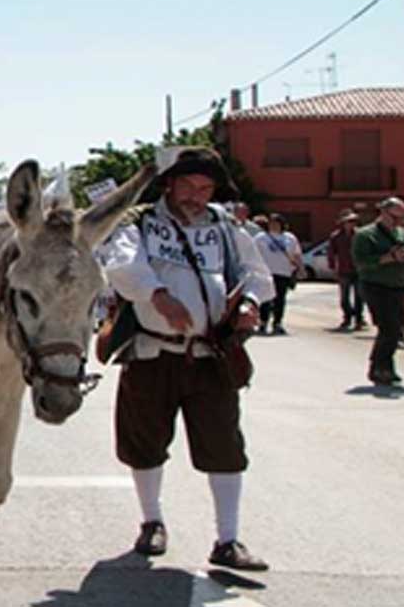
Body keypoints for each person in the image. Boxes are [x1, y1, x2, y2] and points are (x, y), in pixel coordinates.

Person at [101, 147, 275, 572]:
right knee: (144, 442)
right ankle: (151, 522)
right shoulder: (140, 222)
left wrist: (250, 300)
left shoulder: (224, 226)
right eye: (190, 186)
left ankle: (228, 540)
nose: (198, 195)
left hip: (210, 353)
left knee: (225, 446)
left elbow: (255, 271)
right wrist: (158, 296)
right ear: (170, 184)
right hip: (152, 353)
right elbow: (121, 263)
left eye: (206, 188)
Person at [351, 197, 404, 386]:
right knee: (387, 327)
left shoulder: (403, 235)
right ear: (383, 213)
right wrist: (388, 258)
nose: (399, 222)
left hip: (397, 286)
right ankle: (380, 368)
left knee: (395, 328)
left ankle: (383, 366)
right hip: (375, 286)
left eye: (401, 218)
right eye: (395, 217)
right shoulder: (366, 235)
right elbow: (361, 262)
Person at [253, 214, 302, 336]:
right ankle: (263, 322)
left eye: (276, 223)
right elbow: (253, 253)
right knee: (266, 299)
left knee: (280, 299)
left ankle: (277, 323)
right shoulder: (260, 238)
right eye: (271, 223)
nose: (274, 225)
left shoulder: (290, 238)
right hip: (266, 272)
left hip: (283, 272)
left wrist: (300, 268)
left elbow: (296, 254)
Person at [327, 209, 365, 330]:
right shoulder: (336, 237)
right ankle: (347, 317)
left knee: (359, 296)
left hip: (359, 270)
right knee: (344, 297)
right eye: (348, 221)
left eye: (353, 221)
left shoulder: (360, 235)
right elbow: (331, 253)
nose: (351, 224)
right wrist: (333, 266)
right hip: (344, 270)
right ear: (343, 223)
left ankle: (359, 319)